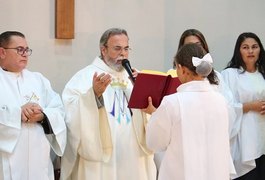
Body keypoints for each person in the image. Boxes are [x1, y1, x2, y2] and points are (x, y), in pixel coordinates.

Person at [60, 28, 156, 180]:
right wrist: (94, 95)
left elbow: (150, 113)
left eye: (126, 49)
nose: (122, 54)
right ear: (103, 50)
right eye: (117, 48)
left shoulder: (135, 77)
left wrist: (144, 95)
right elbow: (70, 111)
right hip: (101, 157)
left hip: (132, 153)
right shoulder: (86, 76)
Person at [145, 43, 231, 180]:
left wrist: (155, 114)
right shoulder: (221, 101)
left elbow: (154, 142)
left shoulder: (172, 102)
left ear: (182, 69)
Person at [0, 31, 66, 180]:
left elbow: (58, 110)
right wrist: (18, 113)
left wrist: (43, 116)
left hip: (39, 158)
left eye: (27, 50)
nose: (25, 54)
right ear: (2, 52)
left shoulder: (38, 79)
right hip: (7, 158)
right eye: (19, 50)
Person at [221, 32, 265, 179]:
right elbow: (225, 108)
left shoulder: (263, 74)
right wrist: (250, 106)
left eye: (255, 47)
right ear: (238, 51)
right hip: (243, 141)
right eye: (245, 47)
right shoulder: (229, 75)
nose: (251, 51)